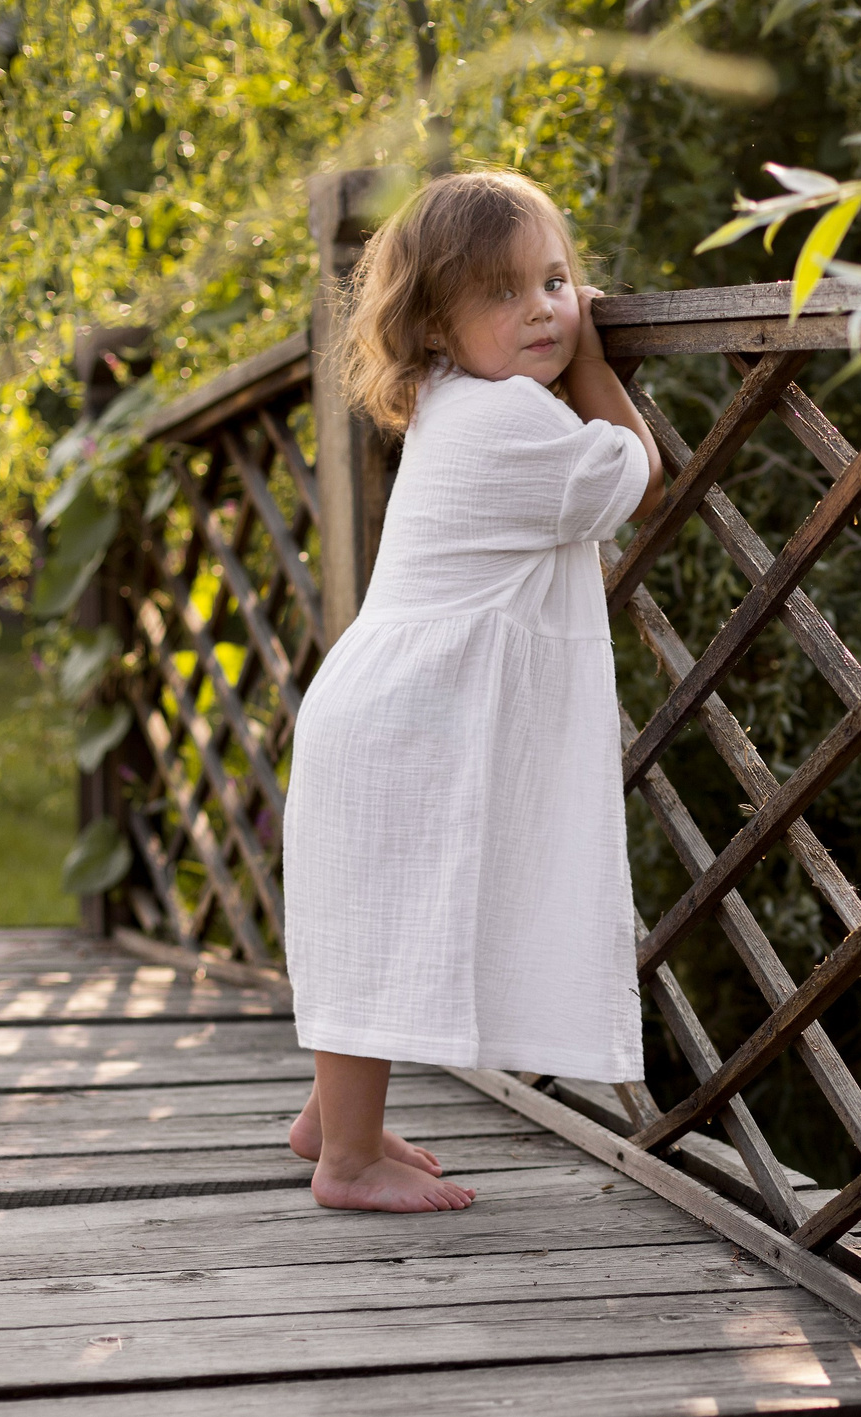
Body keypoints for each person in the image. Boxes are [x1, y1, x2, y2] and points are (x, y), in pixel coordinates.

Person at [280, 169, 665, 1212]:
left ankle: (334, 1118)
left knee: (378, 916)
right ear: (434, 330)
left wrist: (557, 344)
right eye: (503, 295)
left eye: (554, 282)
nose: (541, 309)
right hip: (404, 717)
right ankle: (348, 1162)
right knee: (386, 918)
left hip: (388, 703)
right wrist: (590, 359)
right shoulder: (503, 424)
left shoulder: (456, 408)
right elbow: (632, 470)